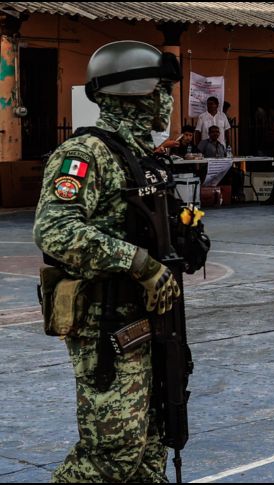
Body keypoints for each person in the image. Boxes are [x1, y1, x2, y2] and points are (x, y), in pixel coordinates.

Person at [33, 40, 182, 483]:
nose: (169, 101)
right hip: (106, 328)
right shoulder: (86, 155)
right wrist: (141, 264)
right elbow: (55, 229)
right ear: (142, 93)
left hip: (151, 324)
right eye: (164, 90)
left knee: (151, 446)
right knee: (110, 457)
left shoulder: (142, 159)